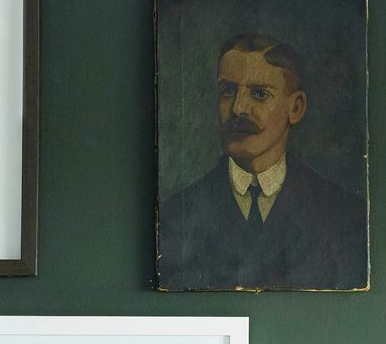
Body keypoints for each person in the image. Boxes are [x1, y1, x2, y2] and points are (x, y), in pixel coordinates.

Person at [158, 31, 368, 291]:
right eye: (227, 91)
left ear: (296, 108)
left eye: (258, 94)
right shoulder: (176, 216)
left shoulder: (343, 214)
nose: (237, 108)